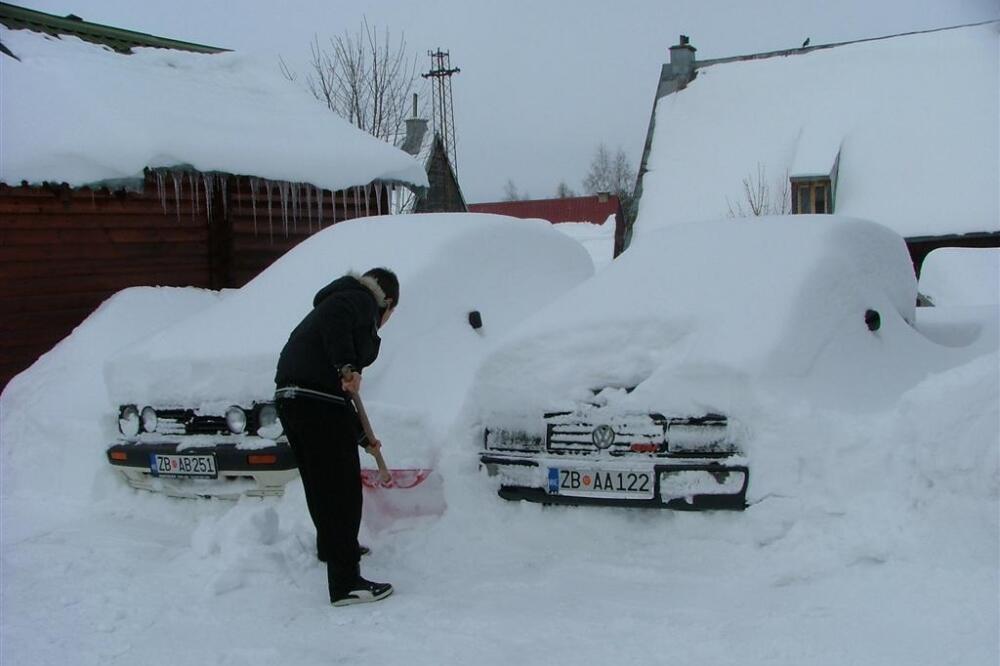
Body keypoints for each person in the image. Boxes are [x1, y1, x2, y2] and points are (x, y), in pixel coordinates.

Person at [274, 267, 398, 606]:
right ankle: (345, 582)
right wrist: (347, 364)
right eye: (388, 316)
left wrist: (361, 436)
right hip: (315, 400)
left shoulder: (333, 306)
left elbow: (340, 395)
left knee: (321, 482)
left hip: (294, 398)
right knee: (342, 488)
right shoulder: (357, 300)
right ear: (386, 303)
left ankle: (332, 548)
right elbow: (338, 323)